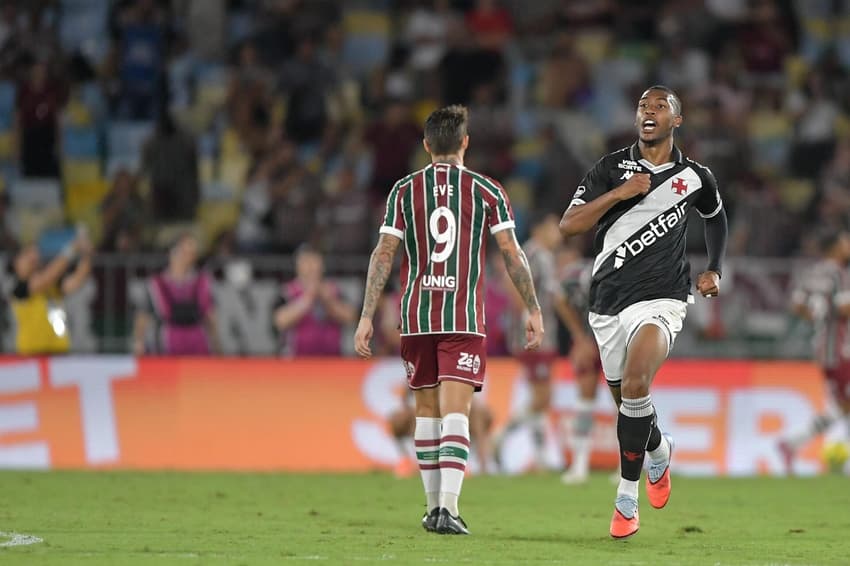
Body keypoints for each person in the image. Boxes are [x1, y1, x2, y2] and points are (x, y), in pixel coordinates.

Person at [353, 105, 544, 535]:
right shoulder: (487, 190)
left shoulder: (403, 191)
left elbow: (383, 253)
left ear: (425, 146)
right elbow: (512, 253)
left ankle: (431, 508)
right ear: (465, 142)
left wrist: (366, 315)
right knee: (457, 412)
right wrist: (532, 306)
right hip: (462, 317)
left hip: (417, 315)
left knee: (425, 411)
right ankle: (449, 509)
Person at [559, 85, 728, 539]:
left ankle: (625, 499)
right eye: (642, 106)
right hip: (607, 302)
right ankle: (658, 449)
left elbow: (715, 216)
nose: (648, 112)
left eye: (660, 106)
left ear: (677, 120)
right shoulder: (610, 168)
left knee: (636, 383)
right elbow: (568, 225)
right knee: (630, 408)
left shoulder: (695, 177)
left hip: (663, 297)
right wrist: (618, 194)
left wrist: (713, 268)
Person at [493, 212, 596, 472]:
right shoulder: (533, 253)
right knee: (543, 396)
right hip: (533, 336)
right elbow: (510, 282)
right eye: (553, 227)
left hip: (543, 335)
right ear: (539, 229)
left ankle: (539, 457)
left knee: (540, 397)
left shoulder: (544, 256)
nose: (558, 233)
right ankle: (501, 436)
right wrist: (529, 316)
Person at [778, 230, 850, 473]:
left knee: (843, 405)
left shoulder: (811, 273)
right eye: (844, 242)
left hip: (823, 347)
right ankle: (793, 444)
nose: (847, 245)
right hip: (841, 349)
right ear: (835, 248)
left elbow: (797, 304)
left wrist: (816, 320)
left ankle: (792, 444)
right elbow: (843, 309)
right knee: (843, 404)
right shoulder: (839, 273)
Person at [556, 242, 605, 485]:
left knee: (628, 403)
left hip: (617, 341)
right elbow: (560, 300)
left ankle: (628, 466)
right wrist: (580, 337)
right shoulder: (573, 278)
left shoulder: (619, 276)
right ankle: (579, 464)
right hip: (590, 338)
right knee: (585, 399)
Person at [9, 231, 93, 355]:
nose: (33, 257)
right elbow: (48, 277)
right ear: (16, 263)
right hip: (31, 354)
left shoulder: (51, 286)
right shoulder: (19, 287)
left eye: (35, 252)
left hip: (58, 353)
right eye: (27, 254)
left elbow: (77, 280)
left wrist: (87, 254)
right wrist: (71, 249)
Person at [133, 234, 218, 355]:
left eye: (193, 252)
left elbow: (210, 315)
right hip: (168, 336)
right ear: (174, 253)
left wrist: (216, 344)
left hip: (197, 337)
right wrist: (138, 342)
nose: (191, 256)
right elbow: (142, 316)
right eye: (186, 251)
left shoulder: (202, 281)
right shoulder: (156, 284)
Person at [274, 245, 356, 356]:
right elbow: (280, 321)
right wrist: (307, 299)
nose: (310, 267)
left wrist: (328, 301)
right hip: (296, 360)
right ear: (298, 266)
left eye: (314, 261)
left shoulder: (334, 290)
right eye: (306, 262)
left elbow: (350, 317)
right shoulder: (287, 292)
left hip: (332, 361)